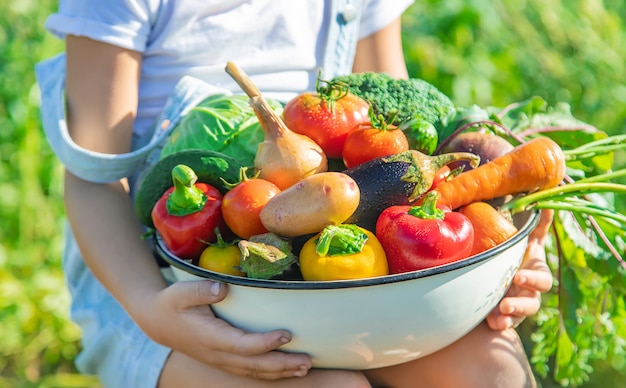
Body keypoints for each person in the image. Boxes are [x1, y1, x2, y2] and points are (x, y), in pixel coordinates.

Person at [36, 1, 553, 387]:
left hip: (344, 275)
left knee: (493, 372)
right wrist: (150, 308)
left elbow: (393, 140)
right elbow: (93, 177)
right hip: (159, 284)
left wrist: (488, 263)